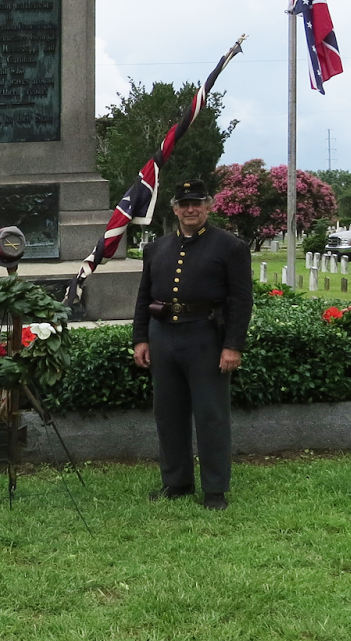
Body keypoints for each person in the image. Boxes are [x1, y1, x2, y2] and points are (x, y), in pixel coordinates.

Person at [132, 179, 253, 509]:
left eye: (196, 203)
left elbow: (241, 301)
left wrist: (233, 345)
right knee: (168, 415)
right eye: (184, 204)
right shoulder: (156, 249)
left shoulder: (230, 247)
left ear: (209, 206)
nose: (190, 209)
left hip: (205, 337)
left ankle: (215, 489)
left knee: (211, 415)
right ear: (174, 209)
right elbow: (144, 297)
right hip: (163, 337)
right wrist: (140, 339)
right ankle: (177, 483)